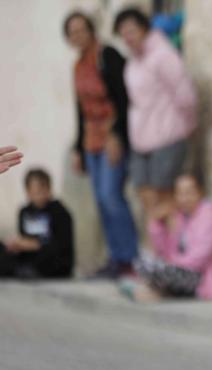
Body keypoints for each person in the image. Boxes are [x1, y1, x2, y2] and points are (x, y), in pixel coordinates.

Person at [64, 11, 139, 279]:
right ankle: (115, 259)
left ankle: (131, 259)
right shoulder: (78, 65)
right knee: (100, 200)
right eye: (72, 32)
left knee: (112, 196)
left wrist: (118, 136)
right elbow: (80, 110)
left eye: (81, 30)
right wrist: (77, 148)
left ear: (91, 30)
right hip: (90, 139)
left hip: (111, 135)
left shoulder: (107, 56)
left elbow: (123, 99)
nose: (77, 36)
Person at [113, 7, 197, 218]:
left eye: (131, 31)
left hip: (168, 135)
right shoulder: (132, 63)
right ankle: (159, 246)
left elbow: (185, 95)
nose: (127, 37)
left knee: (166, 197)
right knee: (145, 194)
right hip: (141, 139)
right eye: (123, 33)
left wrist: (185, 127)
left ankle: (174, 249)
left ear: (144, 29)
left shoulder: (164, 55)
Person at [122, 173, 212, 302]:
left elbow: (198, 258)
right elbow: (164, 252)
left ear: (200, 193)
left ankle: (153, 290)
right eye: (180, 194)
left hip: (206, 277)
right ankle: (154, 289)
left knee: (151, 268)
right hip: (183, 270)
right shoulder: (182, 217)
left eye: (189, 193)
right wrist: (157, 223)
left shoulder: (210, 216)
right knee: (142, 262)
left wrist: (171, 264)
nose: (184, 199)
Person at [0, 168, 74, 279]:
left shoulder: (59, 212)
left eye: (43, 190)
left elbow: (62, 246)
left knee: (48, 257)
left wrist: (36, 245)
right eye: (36, 192)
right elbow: (24, 238)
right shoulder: (25, 212)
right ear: (28, 192)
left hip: (53, 262)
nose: (40, 196)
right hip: (29, 259)